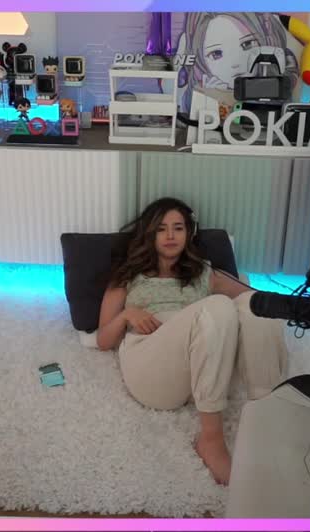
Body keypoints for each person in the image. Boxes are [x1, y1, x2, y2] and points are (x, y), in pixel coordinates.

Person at [96, 198, 288, 485]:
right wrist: (126, 315)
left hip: (200, 366)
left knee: (256, 307)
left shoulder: (205, 274)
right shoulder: (128, 276)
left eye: (178, 228)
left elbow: (252, 297)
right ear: (150, 234)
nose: (170, 236)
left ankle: (265, 418)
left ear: (189, 233)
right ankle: (211, 440)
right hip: (150, 366)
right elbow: (102, 340)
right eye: (162, 229)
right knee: (218, 306)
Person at [175, 12, 299, 113]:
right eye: (216, 54)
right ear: (202, 62)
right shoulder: (200, 92)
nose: (234, 63)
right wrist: (210, 98)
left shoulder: (277, 86)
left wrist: (227, 97)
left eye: (247, 44)